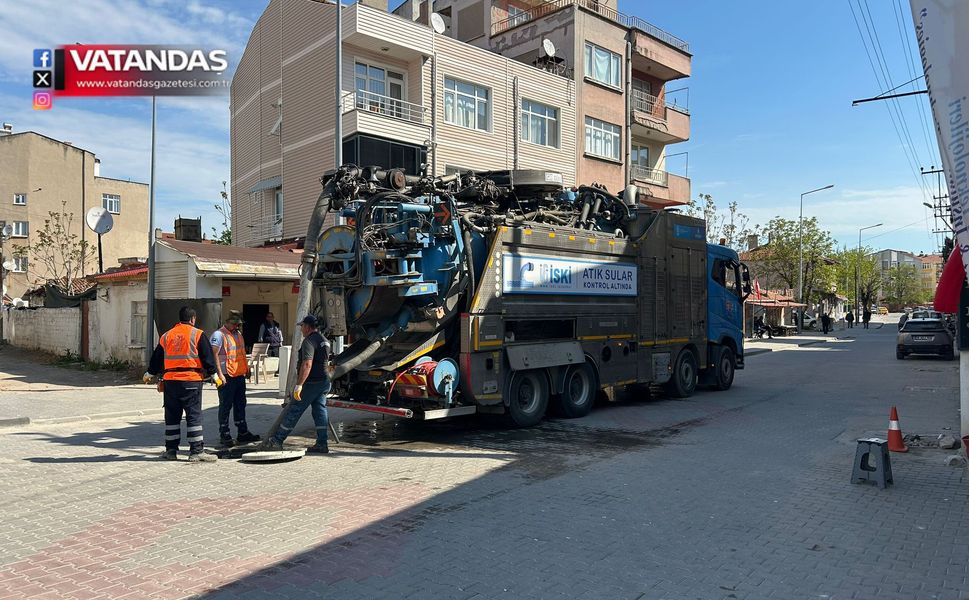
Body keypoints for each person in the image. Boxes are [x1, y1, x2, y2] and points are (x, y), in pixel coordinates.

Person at [144, 306, 219, 462]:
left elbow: (157, 358)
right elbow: (207, 357)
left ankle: (171, 451)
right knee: (193, 416)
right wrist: (215, 376)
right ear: (193, 319)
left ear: (179, 319)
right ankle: (196, 451)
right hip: (191, 380)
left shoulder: (167, 336)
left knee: (172, 416)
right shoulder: (198, 334)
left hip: (170, 382)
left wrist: (149, 373)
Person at [259, 315, 332, 454]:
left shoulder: (309, 341)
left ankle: (277, 441)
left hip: (312, 383)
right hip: (324, 381)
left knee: (295, 410)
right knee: (320, 411)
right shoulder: (325, 341)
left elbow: (307, 364)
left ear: (308, 327)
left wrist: (299, 385)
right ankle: (322, 443)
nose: (301, 329)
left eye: (302, 326)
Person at [211, 310, 260, 447]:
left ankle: (242, 433)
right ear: (228, 322)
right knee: (225, 405)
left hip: (238, 375)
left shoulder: (238, 334)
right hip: (226, 376)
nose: (237, 327)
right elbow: (213, 354)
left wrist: (247, 369)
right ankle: (224, 434)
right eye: (235, 324)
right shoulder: (219, 335)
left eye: (239, 324)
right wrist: (219, 374)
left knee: (240, 404)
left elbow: (242, 353)